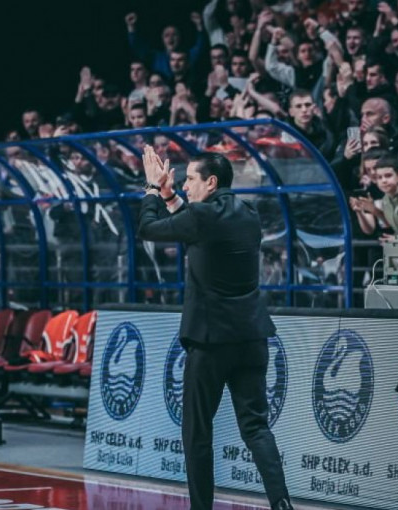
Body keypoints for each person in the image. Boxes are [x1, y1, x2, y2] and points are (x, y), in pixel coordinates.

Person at [138, 147, 292, 510]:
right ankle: (282, 503)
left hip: (210, 341)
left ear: (211, 182)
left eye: (190, 179)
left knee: (197, 432)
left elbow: (148, 228)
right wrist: (170, 197)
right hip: (251, 336)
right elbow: (194, 224)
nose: (185, 185)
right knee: (256, 427)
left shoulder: (202, 217)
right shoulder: (248, 214)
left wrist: (152, 189)